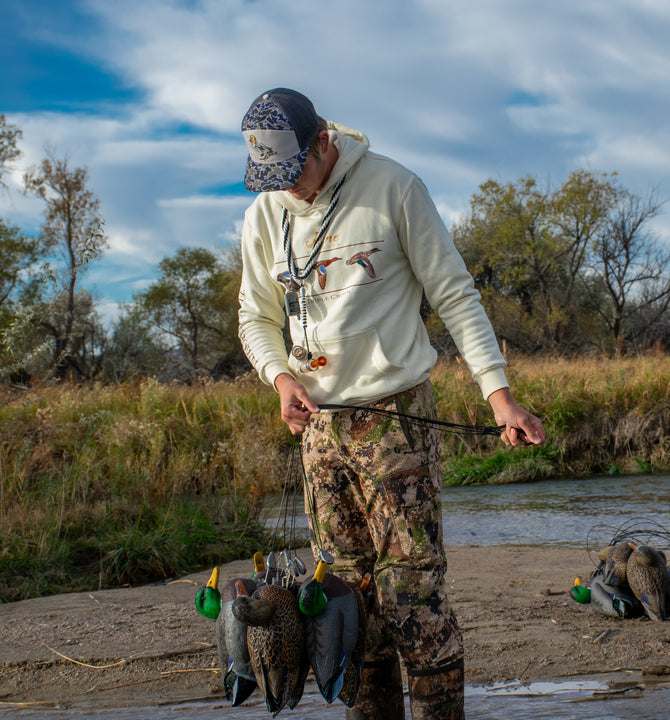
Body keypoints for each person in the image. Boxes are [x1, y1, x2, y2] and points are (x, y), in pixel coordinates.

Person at [236, 88, 544, 720]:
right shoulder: (265, 214)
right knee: (346, 604)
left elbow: (455, 294)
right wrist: (277, 377)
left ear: (321, 142)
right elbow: (254, 316)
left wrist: (499, 397)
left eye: (292, 171)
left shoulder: (395, 188)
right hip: (319, 432)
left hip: (396, 423)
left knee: (412, 598)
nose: (286, 188)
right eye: (270, 178)